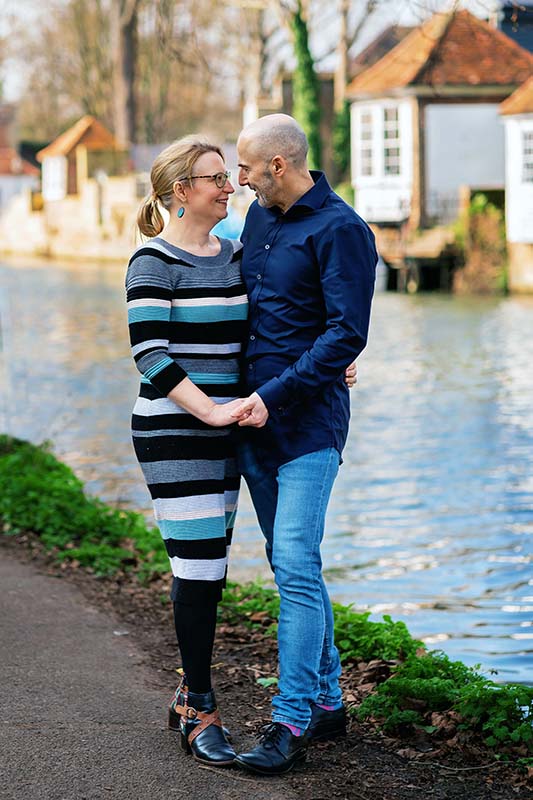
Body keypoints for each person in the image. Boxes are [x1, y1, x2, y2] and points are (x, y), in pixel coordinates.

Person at [230, 114, 378, 776]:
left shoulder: (342, 230)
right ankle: (329, 701)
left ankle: (290, 721)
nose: (239, 180)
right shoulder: (258, 221)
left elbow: (346, 335)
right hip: (251, 422)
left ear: (279, 166)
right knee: (293, 564)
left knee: (291, 561)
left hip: (308, 424)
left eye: (245, 169)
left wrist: (274, 395)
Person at [126, 136, 246, 767]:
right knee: (198, 568)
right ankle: (200, 706)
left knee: (210, 567)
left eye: (228, 177)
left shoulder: (237, 256)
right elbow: (151, 355)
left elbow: (269, 327)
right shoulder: (152, 261)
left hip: (227, 430)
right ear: (181, 192)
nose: (230, 187)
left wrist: (331, 364)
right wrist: (212, 410)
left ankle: (186, 694)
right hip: (175, 431)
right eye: (216, 178)